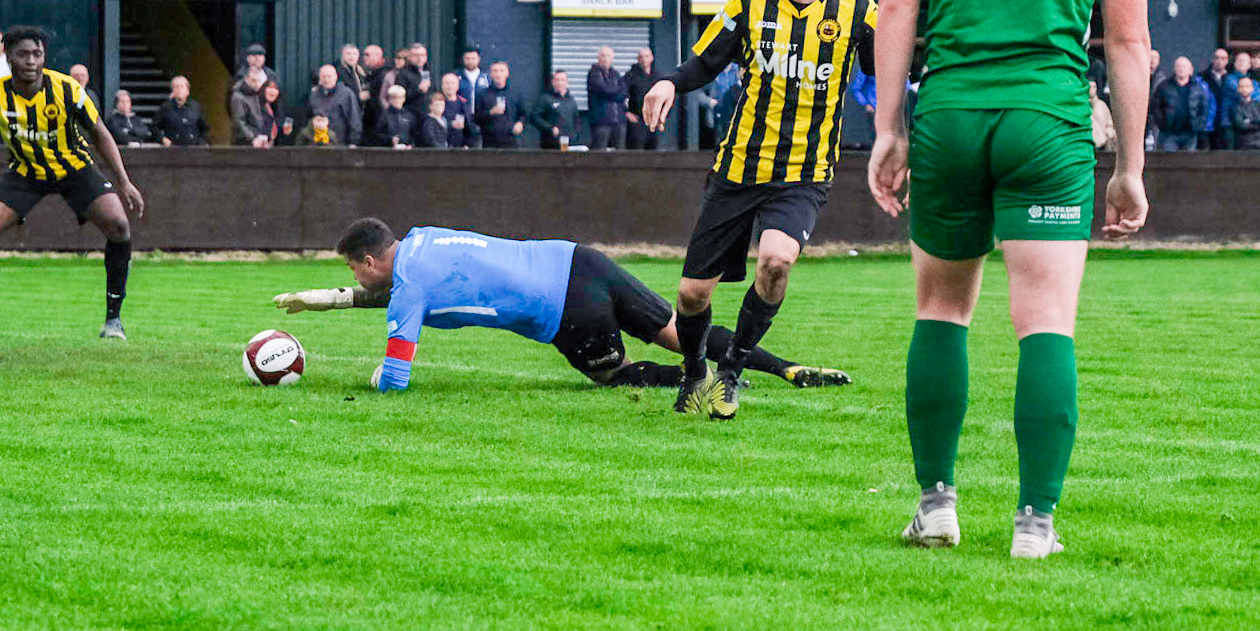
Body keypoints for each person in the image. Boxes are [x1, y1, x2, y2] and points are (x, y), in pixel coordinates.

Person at [868, 0, 1151, 560]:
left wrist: (888, 128)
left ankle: (936, 505)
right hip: (1046, 117)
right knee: (1045, 323)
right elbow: (1129, 43)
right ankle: (1034, 524)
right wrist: (1130, 166)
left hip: (951, 110)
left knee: (940, 308)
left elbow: (895, 8)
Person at [643, 0, 876, 422]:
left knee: (775, 262)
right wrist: (667, 82)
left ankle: (731, 371)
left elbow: (889, 71)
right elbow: (704, 61)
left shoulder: (858, 13)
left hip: (803, 174)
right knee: (691, 293)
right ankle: (694, 370)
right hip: (738, 170)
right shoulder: (747, 3)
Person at [284, 218, 851, 393]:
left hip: (565, 312)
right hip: (580, 260)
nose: (353, 279)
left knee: (619, 375)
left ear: (364, 260)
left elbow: (396, 379)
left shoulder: (407, 290)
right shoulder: (422, 238)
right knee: (682, 332)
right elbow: (406, 289)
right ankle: (786, 368)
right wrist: (327, 302)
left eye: (350, 271)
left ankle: (699, 385)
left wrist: (376, 378)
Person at [0, 27, 145, 340]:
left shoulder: (67, 88)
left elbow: (99, 132)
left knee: (119, 226)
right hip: (25, 173)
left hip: (75, 169)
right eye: (23, 54)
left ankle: (114, 321)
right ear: (8, 56)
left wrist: (123, 181)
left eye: (37, 54)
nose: (31, 60)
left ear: (44, 57)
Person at [1149, 56, 1212, 152]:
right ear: (1174, 68)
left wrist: (1198, 126)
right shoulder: (1164, 86)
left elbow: (1205, 108)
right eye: (1179, 66)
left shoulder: (1198, 88)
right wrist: (1162, 124)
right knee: (1170, 161)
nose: (1181, 69)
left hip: (1190, 134)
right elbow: (1155, 106)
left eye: (1184, 66)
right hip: (1169, 134)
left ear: (1190, 69)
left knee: (1188, 164)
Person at [474, 60, 525, 149]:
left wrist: (520, 123)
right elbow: (476, 117)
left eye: (501, 71)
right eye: (495, 71)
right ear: (491, 74)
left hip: (511, 140)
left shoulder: (515, 93)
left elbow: (523, 114)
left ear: (507, 73)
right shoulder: (482, 94)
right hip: (490, 141)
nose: (498, 74)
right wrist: (490, 113)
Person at [307, 63, 361, 147]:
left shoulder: (346, 94)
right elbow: (308, 117)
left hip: (340, 144)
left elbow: (354, 119)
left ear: (336, 77)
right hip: (317, 144)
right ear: (320, 78)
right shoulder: (314, 94)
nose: (326, 79)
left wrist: (353, 142)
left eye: (329, 77)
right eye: (324, 77)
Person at [586, 46, 627, 150]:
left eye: (608, 56)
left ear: (612, 58)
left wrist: (612, 91)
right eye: (602, 55)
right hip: (601, 122)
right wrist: (615, 91)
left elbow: (624, 92)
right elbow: (603, 89)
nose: (605, 58)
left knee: (620, 153)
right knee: (599, 155)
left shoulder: (616, 74)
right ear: (598, 57)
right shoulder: (593, 73)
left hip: (618, 121)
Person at [530, 70, 580, 149]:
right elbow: (534, 117)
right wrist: (550, 128)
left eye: (562, 80)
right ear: (553, 82)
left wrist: (575, 135)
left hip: (569, 143)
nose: (560, 82)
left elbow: (576, 119)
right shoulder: (546, 99)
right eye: (557, 80)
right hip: (551, 143)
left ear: (567, 82)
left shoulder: (572, 101)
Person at [624, 47, 661, 150]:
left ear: (652, 58)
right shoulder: (630, 75)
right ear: (638, 59)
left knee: (654, 155)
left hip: (654, 122)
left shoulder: (657, 76)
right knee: (636, 155)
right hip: (637, 121)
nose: (644, 59)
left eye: (647, 56)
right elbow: (619, 95)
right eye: (641, 57)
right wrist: (626, 112)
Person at [156, 75, 208, 147]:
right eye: (176, 87)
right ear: (173, 90)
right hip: (172, 149)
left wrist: (201, 143)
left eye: (182, 86)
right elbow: (155, 127)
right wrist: (163, 139)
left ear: (187, 90)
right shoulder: (165, 108)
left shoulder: (196, 107)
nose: (179, 90)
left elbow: (205, 128)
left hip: (193, 149)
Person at [1227, 76, 1260, 149]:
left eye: (1247, 86)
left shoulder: (1259, 104)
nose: (1244, 89)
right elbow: (1241, 125)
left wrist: (1251, 120)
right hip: (1244, 144)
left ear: (1252, 89)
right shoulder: (1235, 106)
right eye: (1241, 87)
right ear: (1238, 89)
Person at [435, 72, 479, 148]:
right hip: (443, 145)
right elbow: (432, 123)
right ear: (442, 86)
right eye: (447, 83)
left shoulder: (464, 103)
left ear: (457, 86)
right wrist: (450, 124)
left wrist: (469, 144)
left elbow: (470, 126)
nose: (450, 86)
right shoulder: (436, 102)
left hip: (461, 146)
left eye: (452, 83)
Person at [231, 68, 272, 147]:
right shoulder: (238, 97)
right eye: (253, 80)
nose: (256, 84)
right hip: (244, 143)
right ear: (246, 79)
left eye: (258, 80)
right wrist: (252, 138)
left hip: (257, 140)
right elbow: (239, 122)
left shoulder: (255, 94)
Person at [375, 83, 416, 148]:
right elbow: (377, 136)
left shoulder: (409, 116)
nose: (397, 100)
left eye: (399, 97)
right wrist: (390, 140)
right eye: (394, 97)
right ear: (389, 99)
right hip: (388, 151)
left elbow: (414, 135)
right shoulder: (383, 115)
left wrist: (411, 145)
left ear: (404, 99)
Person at [454, 47, 487, 123]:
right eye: (467, 58)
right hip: (462, 116)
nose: (470, 61)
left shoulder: (486, 77)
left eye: (473, 58)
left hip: (483, 116)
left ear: (478, 59)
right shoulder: (456, 76)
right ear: (463, 59)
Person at [260, 80, 292, 146]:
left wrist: (285, 132)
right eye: (270, 87)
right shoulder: (256, 106)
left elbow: (278, 133)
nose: (273, 91)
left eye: (276, 88)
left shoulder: (277, 108)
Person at [1088, 81, 1116, 151]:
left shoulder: (1102, 105)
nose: (1091, 90)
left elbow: (1109, 122)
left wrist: (1109, 130)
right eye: (1089, 87)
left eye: (1093, 87)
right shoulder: (1082, 105)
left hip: (1103, 143)